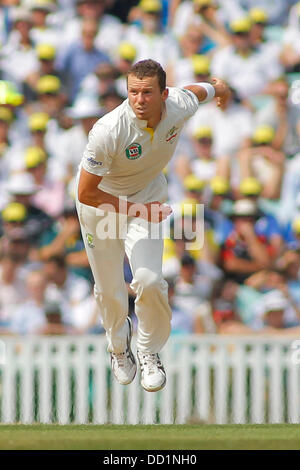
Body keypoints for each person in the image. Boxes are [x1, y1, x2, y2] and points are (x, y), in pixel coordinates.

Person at [76, 58, 229, 392]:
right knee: (111, 289)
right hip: (100, 204)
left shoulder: (178, 105)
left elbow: (196, 91)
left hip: (146, 200)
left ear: (164, 93)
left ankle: (148, 350)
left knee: (148, 279)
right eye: (133, 92)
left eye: (147, 92)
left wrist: (219, 88)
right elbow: (86, 192)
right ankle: (118, 347)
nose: (139, 100)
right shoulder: (108, 130)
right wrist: (136, 210)